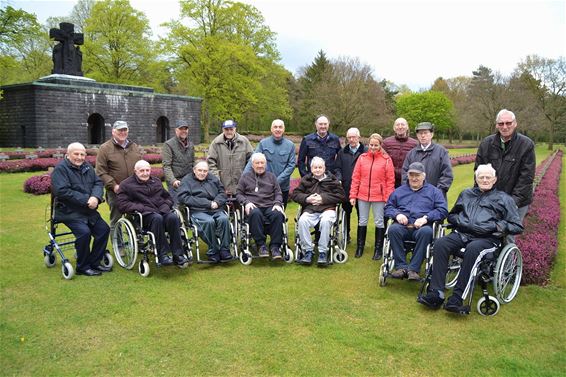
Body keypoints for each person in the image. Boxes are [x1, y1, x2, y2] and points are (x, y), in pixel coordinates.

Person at [418, 164, 524, 313]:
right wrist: (461, 221)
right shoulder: (466, 194)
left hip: (487, 238)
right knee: (441, 243)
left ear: (494, 180)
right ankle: (436, 292)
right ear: (476, 179)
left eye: (488, 177)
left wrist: (497, 226)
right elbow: (452, 215)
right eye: (481, 177)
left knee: (472, 250)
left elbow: (517, 225)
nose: (485, 180)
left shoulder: (504, 199)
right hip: (463, 234)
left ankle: (457, 296)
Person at [51, 142, 110, 276]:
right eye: (76, 154)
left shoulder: (87, 167)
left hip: (88, 210)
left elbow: (98, 182)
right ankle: (82, 267)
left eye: (82, 154)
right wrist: (86, 200)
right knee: (84, 233)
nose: (80, 157)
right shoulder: (61, 169)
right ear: (68, 155)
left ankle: (94, 262)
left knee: (103, 230)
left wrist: (95, 197)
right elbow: (62, 191)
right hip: (69, 211)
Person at [116, 160, 189, 267]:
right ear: (135, 171)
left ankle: (178, 254)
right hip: (143, 216)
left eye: (147, 170)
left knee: (173, 217)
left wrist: (165, 207)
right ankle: (162, 254)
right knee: (157, 218)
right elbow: (122, 205)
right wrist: (142, 208)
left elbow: (168, 197)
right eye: (142, 171)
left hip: (161, 211)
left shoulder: (156, 181)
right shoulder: (126, 185)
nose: (145, 173)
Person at [384, 162, 448, 280]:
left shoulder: (434, 192)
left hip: (422, 227)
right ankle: (401, 267)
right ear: (407, 176)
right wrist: (397, 214)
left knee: (427, 233)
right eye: (411, 175)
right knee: (393, 229)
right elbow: (388, 207)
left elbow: (442, 210)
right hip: (402, 225)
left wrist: (426, 218)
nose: (414, 178)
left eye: (417, 175)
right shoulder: (399, 191)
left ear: (424, 176)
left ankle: (413, 269)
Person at [475, 109, 535, 221]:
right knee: (487, 232)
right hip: (490, 200)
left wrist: (511, 203)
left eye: (508, 123)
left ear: (515, 123)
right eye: (501, 123)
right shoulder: (486, 143)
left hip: (517, 201)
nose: (505, 127)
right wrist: (479, 197)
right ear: (497, 125)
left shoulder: (526, 145)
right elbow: (478, 172)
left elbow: (526, 178)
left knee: (509, 236)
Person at [291, 157, 345, 266]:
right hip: (310, 209)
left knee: (325, 221)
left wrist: (323, 199)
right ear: (311, 169)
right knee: (302, 221)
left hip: (327, 209)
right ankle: (308, 251)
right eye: (315, 167)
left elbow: (341, 196)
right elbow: (295, 194)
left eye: (320, 167)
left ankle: (322, 252)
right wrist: (307, 198)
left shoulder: (332, 180)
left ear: (324, 168)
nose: (318, 170)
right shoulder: (306, 180)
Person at [177, 161, 234, 263]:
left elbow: (222, 193)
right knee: (209, 221)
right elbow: (183, 198)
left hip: (216, 209)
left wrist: (217, 202)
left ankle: (225, 250)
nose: (202, 173)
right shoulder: (187, 180)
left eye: (205, 171)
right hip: (197, 211)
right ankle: (213, 251)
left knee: (224, 219)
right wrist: (207, 204)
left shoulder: (213, 178)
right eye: (200, 170)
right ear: (194, 170)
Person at [349, 133, 395, 260]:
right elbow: (356, 177)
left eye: (376, 145)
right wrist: (353, 195)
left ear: (380, 145)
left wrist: (388, 198)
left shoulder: (386, 160)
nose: (373, 147)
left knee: (379, 222)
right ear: (368, 145)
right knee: (362, 221)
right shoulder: (362, 158)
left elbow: (390, 181)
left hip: (379, 197)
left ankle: (378, 249)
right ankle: (360, 247)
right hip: (362, 195)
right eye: (371, 145)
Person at [95, 120, 142, 233]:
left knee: (137, 216)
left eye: (125, 130)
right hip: (115, 191)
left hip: (134, 189)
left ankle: (138, 243)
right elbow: (100, 172)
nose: (123, 132)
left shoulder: (134, 146)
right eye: (120, 130)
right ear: (113, 132)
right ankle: (119, 246)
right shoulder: (105, 148)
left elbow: (140, 166)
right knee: (116, 220)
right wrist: (114, 186)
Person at [237, 153, 285, 260]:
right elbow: (239, 194)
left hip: (269, 205)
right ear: (252, 165)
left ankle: (275, 246)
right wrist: (246, 202)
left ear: (265, 164)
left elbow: (278, 193)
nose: (259, 165)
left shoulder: (272, 177)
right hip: (253, 206)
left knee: (277, 214)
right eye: (257, 163)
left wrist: (277, 203)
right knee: (255, 213)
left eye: (262, 163)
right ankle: (261, 245)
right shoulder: (245, 177)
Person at [244, 119, 296, 206]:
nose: (278, 129)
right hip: (264, 186)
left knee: (280, 213)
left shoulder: (290, 145)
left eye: (280, 127)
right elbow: (253, 160)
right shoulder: (263, 144)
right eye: (275, 127)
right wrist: (244, 177)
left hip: (282, 187)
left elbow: (291, 166)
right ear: (271, 129)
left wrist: (276, 181)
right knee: (264, 212)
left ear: (284, 129)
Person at [402, 122, 453, 196]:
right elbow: (405, 174)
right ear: (417, 135)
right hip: (414, 197)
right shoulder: (411, 154)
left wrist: (438, 192)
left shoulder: (441, 152)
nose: (423, 136)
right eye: (420, 133)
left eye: (425, 133)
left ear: (432, 134)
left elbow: (447, 175)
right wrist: (410, 192)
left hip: (435, 197)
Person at [334, 127, 366, 244]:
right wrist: (339, 178)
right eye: (349, 137)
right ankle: (346, 235)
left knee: (361, 215)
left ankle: (360, 239)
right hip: (346, 188)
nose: (352, 139)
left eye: (354, 137)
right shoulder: (342, 152)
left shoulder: (365, 152)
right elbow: (337, 168)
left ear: (359, 137)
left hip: (361, 189)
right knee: (346, 213)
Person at [207, 119, 253, 196]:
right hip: (223, 185)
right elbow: (211, 162)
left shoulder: (244, 141)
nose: (229, 131)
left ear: (235, 129)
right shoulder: (216, 143)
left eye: (231, 129)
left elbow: (251, 160)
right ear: (222, 130)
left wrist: (246, 177)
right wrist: (217, 180)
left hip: (242, 184)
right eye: (226, 129)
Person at [162, 120, 195, 205]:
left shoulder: (191, 145)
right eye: (181, 129)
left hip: (189, 180)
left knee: (191, 204)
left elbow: (193, 163)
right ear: (176, 130)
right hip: (176, 181)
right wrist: (173, 181)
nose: (184, 131)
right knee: (177, 206)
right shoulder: (168, 145)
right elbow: (166, 166)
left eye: (186, 129)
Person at [382, 117, 418, 188]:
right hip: (389, 181)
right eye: (398, 125)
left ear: (407, 127)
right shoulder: (386, 143)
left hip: (408, 181)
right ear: (394, 128)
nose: (400, 127)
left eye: (403, 124)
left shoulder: (415, 144)